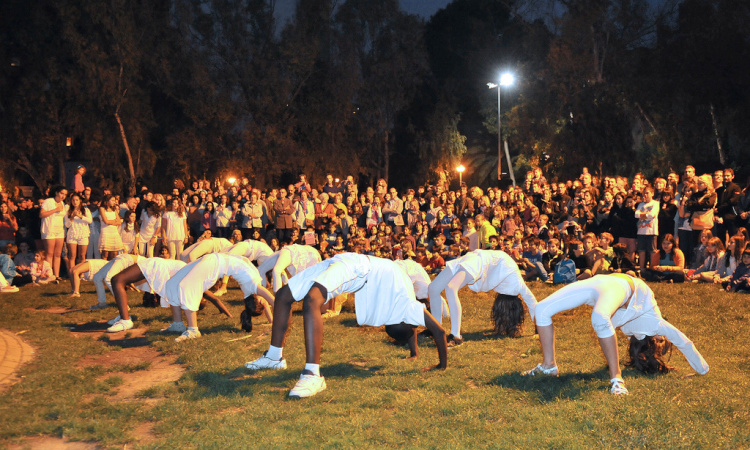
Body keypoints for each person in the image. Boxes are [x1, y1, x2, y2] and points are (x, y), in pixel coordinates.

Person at [245, 253, 448, 399]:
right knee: (310, 300)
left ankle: (305, 371)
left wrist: (415, 353)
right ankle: (280, 360)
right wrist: (441, 366)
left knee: (286, 296)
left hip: (351, 260)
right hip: (361, 268)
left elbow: (415, 329)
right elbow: (437, 331)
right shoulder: (407, 306)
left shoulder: (406, 309)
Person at [522, 274, 709, 395]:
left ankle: (617, 379)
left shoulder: (642, 331)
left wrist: (701, 371)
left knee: (599, 317)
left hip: (607, 288)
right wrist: (702, 370)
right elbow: (685, 342)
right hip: (611, 283)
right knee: (542, 310)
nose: (662, 339)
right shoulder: (656, 322)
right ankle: (549, 366)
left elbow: (684, 342)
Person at [427, 249, 537, 346]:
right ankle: (436, 330)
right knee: (433, 288)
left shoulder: (515, 284)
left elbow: (532, 302)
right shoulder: (517, 282)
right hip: (477, 259)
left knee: (451, 288)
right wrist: (539, 327)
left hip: (478, 259)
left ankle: (456, 337)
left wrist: (538, 328)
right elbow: (531, 301)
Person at [164, 253, 273, 341]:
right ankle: (177, 324)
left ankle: (193, 330)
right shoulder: (250, 291)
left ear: (259, 301)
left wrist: (279, 321)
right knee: (172, 283)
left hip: (215, 264)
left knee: (187, 286)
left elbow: (274, 301)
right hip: (214, 258)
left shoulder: (253, 286)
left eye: (264, 304)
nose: (265, 303)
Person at [256, 244, 322, 293]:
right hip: (287, 250)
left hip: (290, 251)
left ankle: (277, 298)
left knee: (276, 271)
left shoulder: (312, 256)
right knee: (260, 270)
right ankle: (264, 295)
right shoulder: (312, 255)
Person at [39, 186, 68, 279]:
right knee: (49, 253)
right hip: (49, 230)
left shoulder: (63, 203)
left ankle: (57, 275)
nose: (63, 196)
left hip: (59, 230)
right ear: (56, 193)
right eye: (62, 193)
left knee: (58, 254)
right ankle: (49, 275)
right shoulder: (48, 201)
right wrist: (55, 210)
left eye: (65, 194)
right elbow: (41, 214)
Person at [64, 193, 92, 270]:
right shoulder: (68, 211)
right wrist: (72, 217)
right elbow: (67, 225)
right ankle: (72, 273)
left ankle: (81, 273)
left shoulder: (86, 210)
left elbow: (90, 221)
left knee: (82, 256)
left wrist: (81, 216)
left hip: (83, 234)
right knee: (72, 256)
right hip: (72, 235)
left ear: (80, 201)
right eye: (73, 200)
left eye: (76, 200)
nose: (75, 202)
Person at [98, 194, 124, 260]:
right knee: (105, 253)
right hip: (106, 232)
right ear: (107, 201)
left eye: (114, 200)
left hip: (114, 232)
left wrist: (112, 222)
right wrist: (114, 221)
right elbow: (105, 221)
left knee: (114, 254)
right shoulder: (102, 209)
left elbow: (119, 222)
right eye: (112, 200)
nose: (114, 202)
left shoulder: (114, 210)